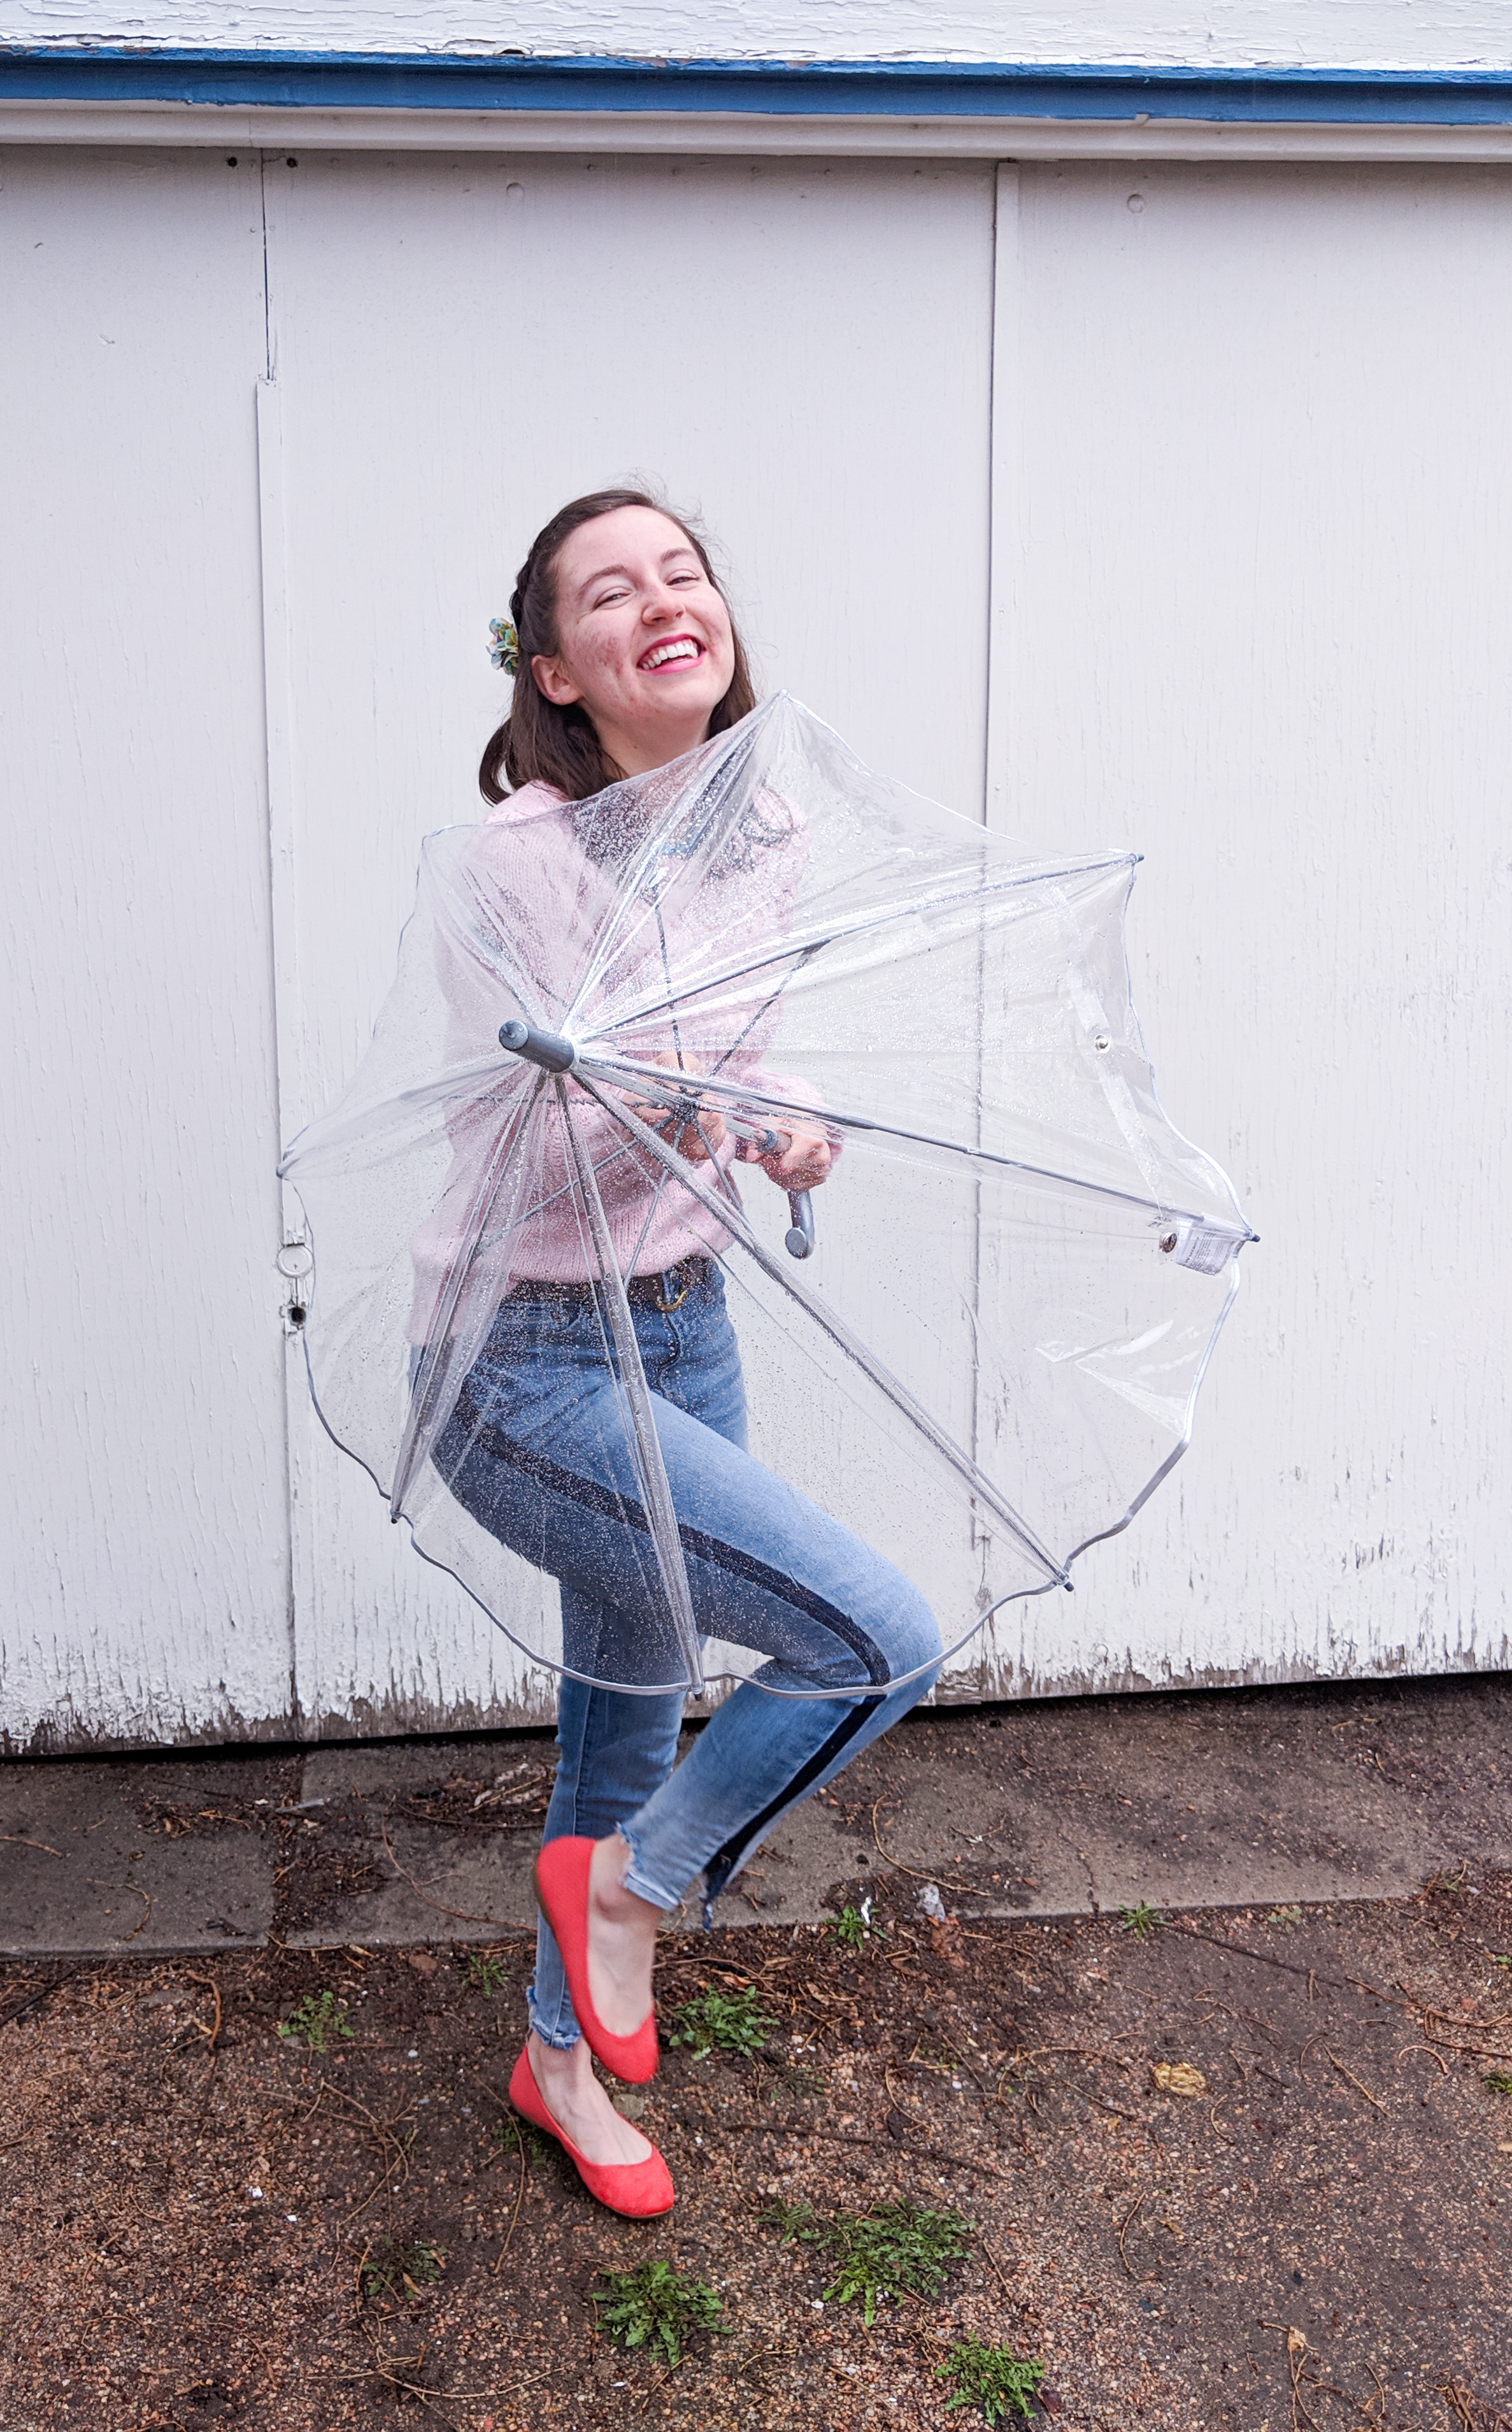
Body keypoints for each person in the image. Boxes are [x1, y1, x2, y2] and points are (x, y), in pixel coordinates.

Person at [434, 490, 946, 2216]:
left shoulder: (762, 830)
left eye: (684, 569)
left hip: (683, 1325)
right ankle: (638, 1897)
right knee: (877, 1637)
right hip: (526, 1361)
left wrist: (789, 1126)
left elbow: (743, 1059)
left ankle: (554, 2060)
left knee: (621, 1733)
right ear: (558, 669)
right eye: (609, 590)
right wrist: (713, 1102)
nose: (666, 601)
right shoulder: (520, 856)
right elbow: (560, 1124)